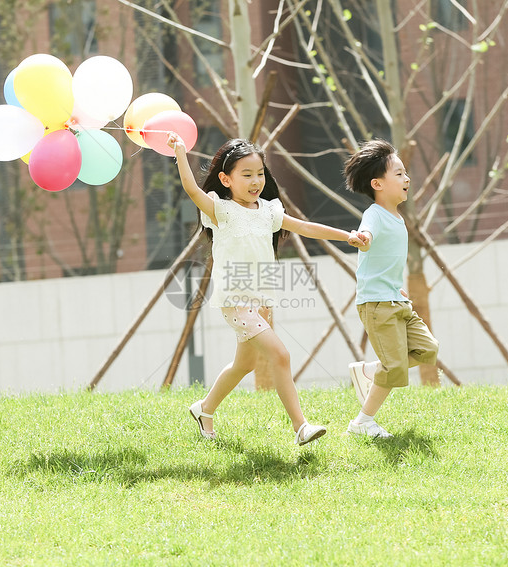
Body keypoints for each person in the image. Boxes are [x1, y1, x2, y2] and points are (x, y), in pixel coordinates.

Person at [167, 132, 368, 446]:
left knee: (244, 365)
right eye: (246, 175)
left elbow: (303, 227)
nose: (255, 180)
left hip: (256, 301)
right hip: (234, 302)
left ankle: (204, 409)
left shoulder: (268, 211)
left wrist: (348, 236)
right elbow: (192, 188)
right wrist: (180, 153)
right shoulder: (220, 210)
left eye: (259, 173)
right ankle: (300, 426)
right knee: (281, 355)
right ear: (225, 179)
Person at [344, 139, 439, 438]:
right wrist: (363, 238)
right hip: (376, 305)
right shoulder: (374, 213)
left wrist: (397, 288)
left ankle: (371, 370)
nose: (407, 178)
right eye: (398, 174)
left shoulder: (398, 218)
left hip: (396, 301)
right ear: (378, 184)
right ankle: (362, 423)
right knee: (396, 367)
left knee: (428, 349)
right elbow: (367, 233)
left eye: (405, 172)